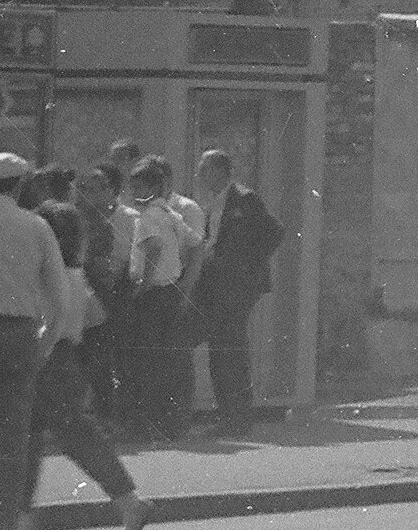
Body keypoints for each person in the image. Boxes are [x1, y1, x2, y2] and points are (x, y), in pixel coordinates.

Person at [21, 169, 151, 530]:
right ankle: (21, 517)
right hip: (66, 355)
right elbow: (95, 315)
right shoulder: (72, 271)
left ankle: (128, 501)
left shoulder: (48, 272)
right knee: (42, 435)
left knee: (61, 433)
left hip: (49, 357)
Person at [0, 152, 68, 530]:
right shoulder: (36, 226)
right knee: (7, 443)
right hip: (17, 337)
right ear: (17, 186)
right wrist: (44, 343)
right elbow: (58, 293)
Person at [190, 149, 285, 432]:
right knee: (223, 350)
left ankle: (238, 417)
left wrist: (246, 268)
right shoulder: (214, 204)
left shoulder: (244, 198)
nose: (200, 176)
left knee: (230, 350)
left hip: (235, 288)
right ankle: (229, 415)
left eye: (204, 170)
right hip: (217, 286)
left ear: (220, 171)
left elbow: (273, 232)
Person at [120, 158, 199, 438]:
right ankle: (171, 423)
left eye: (139, 185)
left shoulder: (148, 216)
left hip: (152, 294)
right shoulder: (169, 213)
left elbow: (152, 249)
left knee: (147, 361)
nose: (133, 191)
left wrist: (142, 285)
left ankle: (147, 424)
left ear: (153, 186)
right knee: (167, 361)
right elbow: (194, 243)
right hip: (170, 291)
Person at [72, 166, 132, 428]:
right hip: (81, 294)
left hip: (102, 296)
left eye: (93, 190)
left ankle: (107, 415)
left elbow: (104, 263)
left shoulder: (106, 222)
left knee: (100, 359)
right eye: (83, 189)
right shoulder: (79, 218)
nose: (86, 195)